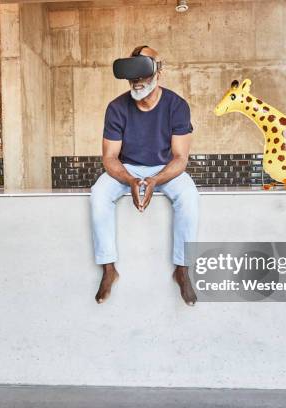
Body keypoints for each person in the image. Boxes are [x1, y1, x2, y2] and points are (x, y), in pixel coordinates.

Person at [89, 45, 199, 306]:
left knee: (189, 197)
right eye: (133, 76)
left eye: (144, 73)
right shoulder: (116, 108)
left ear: (158, 72)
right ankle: (108, 268)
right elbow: (109, 157)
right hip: (127, 167)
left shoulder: (177, 105)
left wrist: (154, 181)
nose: (138, 82)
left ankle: (182, 269)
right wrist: (130, 180)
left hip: (165, 168)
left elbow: (180, 158)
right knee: (99, 194)